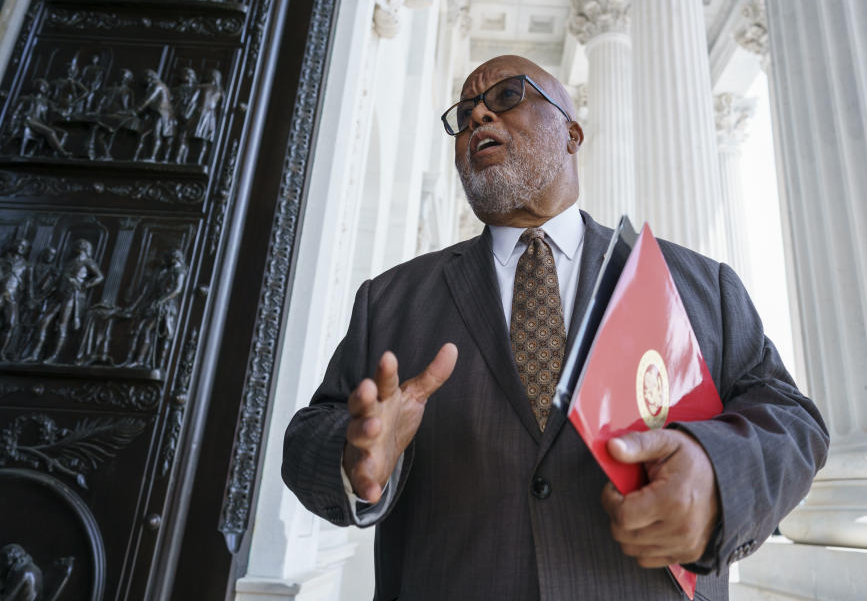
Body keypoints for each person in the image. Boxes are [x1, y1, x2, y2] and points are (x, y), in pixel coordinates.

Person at [282, 55, 829, 600]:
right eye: (465, 112)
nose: (477, 118)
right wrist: (352, 459)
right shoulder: (392, 298)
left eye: (504, 98)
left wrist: (718, 477)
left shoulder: (698, 285)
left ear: (571, 133)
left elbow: (793, 422)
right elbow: (308, 435)